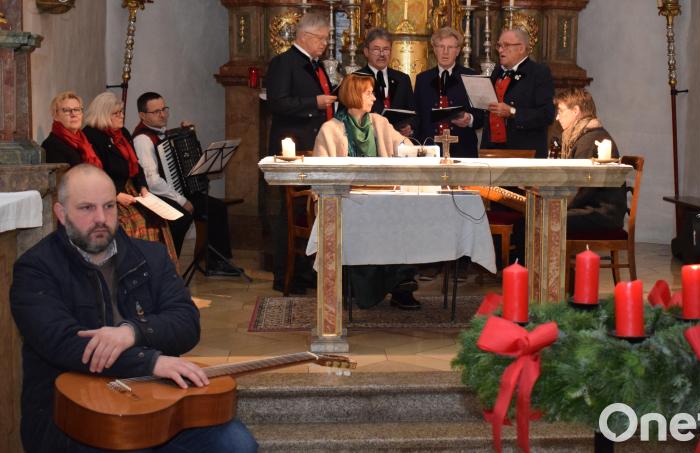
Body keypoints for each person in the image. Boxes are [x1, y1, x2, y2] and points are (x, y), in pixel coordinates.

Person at [9, 164, 257, 453]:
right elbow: (64, 343)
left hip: (157, 401)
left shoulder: (151, 256)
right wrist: (150, 362)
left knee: (237, 445)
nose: (100, 218)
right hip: (75, 413)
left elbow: (187, 322)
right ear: (61, 214)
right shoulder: (36, 269)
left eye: (109, 206)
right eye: (87, 208)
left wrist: (132, 332)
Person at [313, 73, 421, 310]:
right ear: (354, 95)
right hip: (347, 200)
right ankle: (359, 287)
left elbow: (405, 147)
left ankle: (402, 284)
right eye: (369, 93)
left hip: (382, 197)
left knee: (404, 219)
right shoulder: (330, 129)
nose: (374, 98)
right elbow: (320, 173)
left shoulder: (379, 122)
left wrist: (413, 149)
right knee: (364, 225)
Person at [264, 12, 335, 293]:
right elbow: (277, 103)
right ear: (305, 36)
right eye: (322, 39)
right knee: (290, 211)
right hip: (292, 148)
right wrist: (314, 103)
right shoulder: (284, 62)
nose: (325, 44)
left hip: (313, 147)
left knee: (309, 210)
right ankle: (286, 275)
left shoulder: (314, 64)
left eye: (326, 39)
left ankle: (305, 271)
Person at [132, 91, 239, 276]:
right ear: (142, 115)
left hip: (177, 191)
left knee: (216, 208)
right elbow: (153, 181)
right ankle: (170, 267)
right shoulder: (142, 140)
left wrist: (188, 135)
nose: (163, 115)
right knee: (182, 218)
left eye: (164, 109)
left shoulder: (163, 134)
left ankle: (217, 262)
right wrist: (182, 200)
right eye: (156, 112)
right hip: (158, 196)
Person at [82, 92, 174, 257]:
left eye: (122, 112)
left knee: (158, 218)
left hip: (131, 188)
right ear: (103, 114)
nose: (122, 116)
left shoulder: (122, 132)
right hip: (109, 193)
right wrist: (116, 195)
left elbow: (136, 164)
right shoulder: (91, 136)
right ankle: (135, 267)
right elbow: (95, 174)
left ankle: (159, 268)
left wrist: (143, 187)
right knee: (137, 224)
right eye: (116, 113)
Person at [555, 88, 627, 233]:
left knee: (543, 219)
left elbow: (582, 188)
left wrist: (554, 205)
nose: (557, 117)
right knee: (540, 217)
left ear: (575, 111)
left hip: (601, 213)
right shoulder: (584, 136)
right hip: (589, 207)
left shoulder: (589, 141)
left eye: (560, 111)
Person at [481, 28, 555, 157]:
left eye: (506, 45)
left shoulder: (538, 72)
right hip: (492, 150)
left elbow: (547, 114)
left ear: (521, 48)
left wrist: (512, 112)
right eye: (499, 45)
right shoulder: (497, 72)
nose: (500, 50)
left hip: (524, 150)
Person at [414, 27, 481, 158]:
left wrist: (470, 119)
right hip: (430, 151)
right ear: (434, 49)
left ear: (458, 51)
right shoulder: (423, 79)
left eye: (450, 47)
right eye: (441, 47)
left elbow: (481, 116)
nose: (445, 52)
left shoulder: (471, 76)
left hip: (463, 151)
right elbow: (417, 115)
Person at [359, 28, 415, 136]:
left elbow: (414, 113)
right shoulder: (356, 79)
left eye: (386, 49)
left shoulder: (403, 79)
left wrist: (410, 126)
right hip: (368, 142)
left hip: (398, 141)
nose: (382, 54)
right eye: (376, 49)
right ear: (366, 52)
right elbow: (347, 118)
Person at [42, 91, 102, 167]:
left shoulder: (85, 140)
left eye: (77, 109)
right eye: (66, 110)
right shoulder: (51, 145)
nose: (73, 114)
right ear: (55, 116)